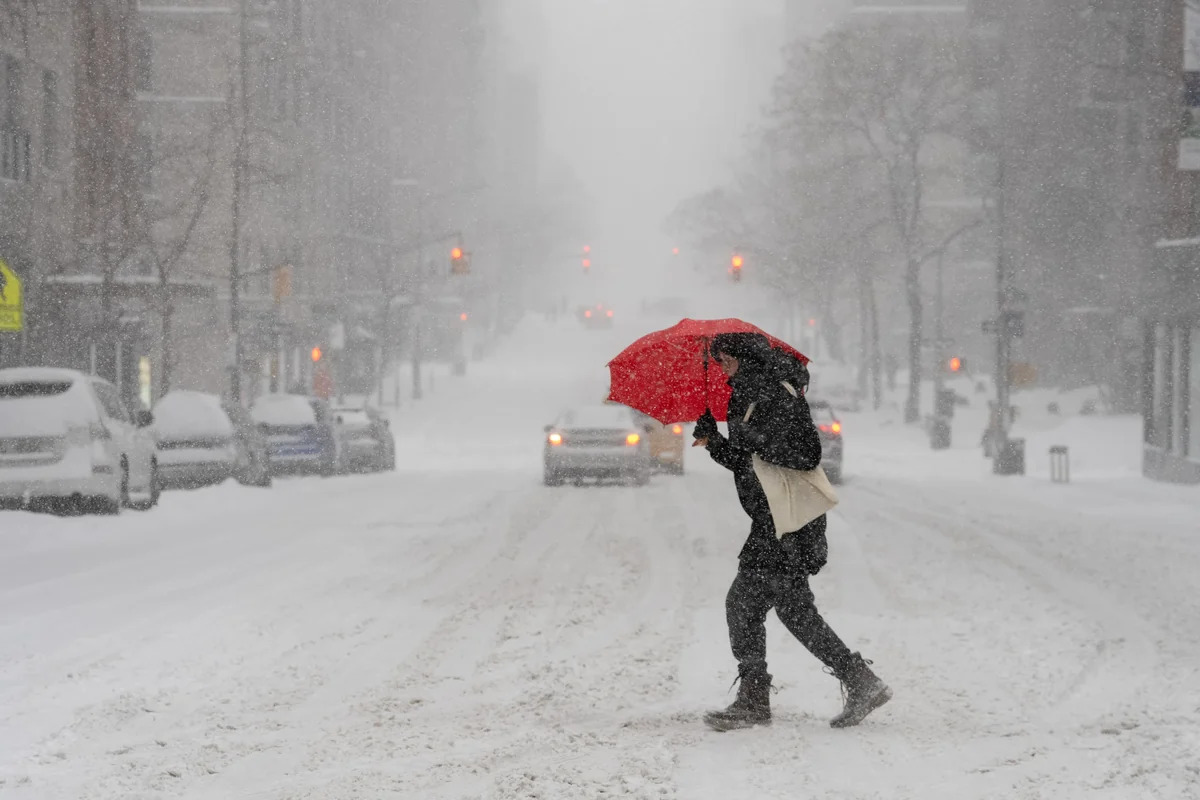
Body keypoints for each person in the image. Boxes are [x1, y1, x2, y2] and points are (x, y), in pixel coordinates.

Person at [693, 332, 891, 732]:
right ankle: (858, 680)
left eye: (724, 358)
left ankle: (754, 699)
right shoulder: (746, 393)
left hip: (787, 523)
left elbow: (806, 455)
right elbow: (750, 465)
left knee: (744, 605)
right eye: (716, 359)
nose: (720, 365)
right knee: (793, 610)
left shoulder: (774, 392)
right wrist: (714, 441)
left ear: (741, 356)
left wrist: (754, 439)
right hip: (775, 519)